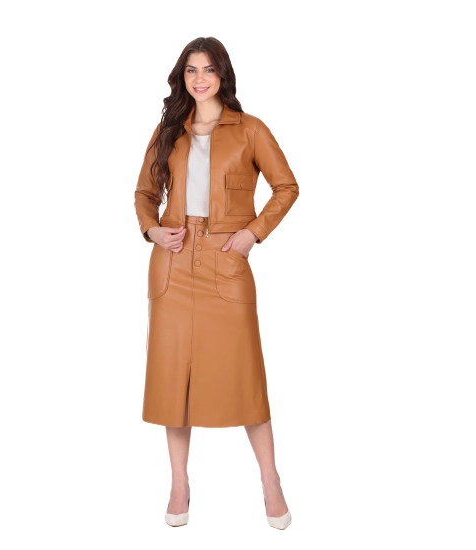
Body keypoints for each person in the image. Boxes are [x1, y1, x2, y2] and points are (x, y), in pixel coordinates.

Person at [134, 36, 299, 530]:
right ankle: (178, 483)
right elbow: (144, 192)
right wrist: (152, 230)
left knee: (245, 375)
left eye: (208, 69)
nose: (199, 78)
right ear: (182, 77)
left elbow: (286, 186)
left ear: (222, 74)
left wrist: (253, 233)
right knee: (173, 380)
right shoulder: (168, 130)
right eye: (191, 70)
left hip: (225, 263)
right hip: (173, 262)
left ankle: (270, 480)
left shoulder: (250, 130)